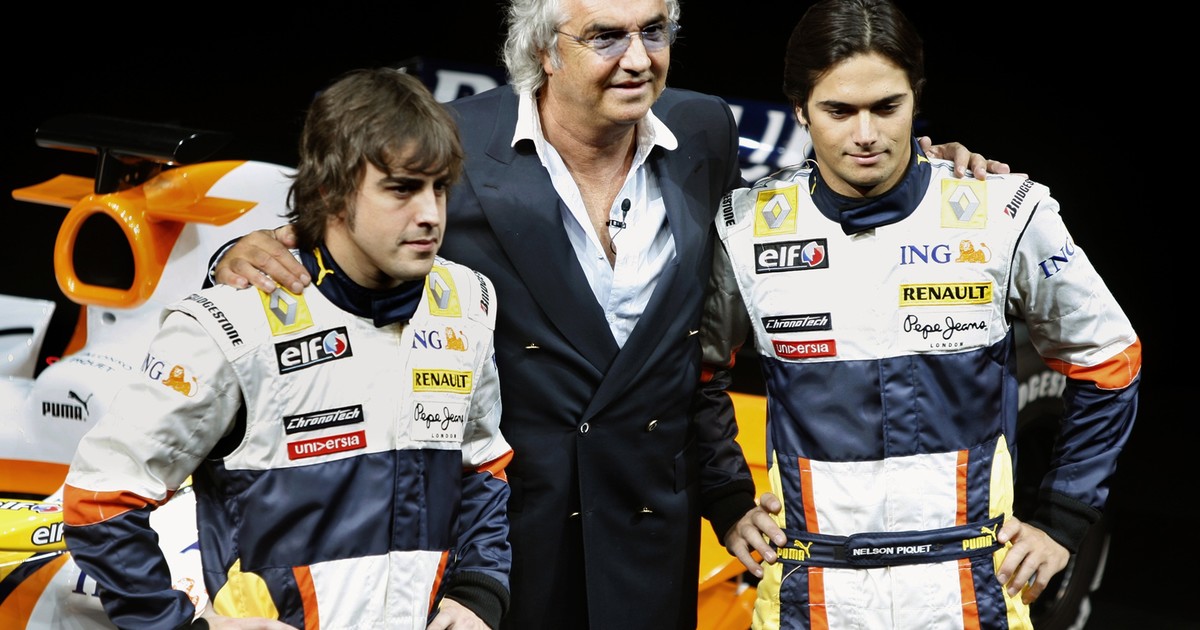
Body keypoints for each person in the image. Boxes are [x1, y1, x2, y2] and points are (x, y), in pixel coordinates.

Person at [210, 2, 1007, 628]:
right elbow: (345, 224)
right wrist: (243, 251)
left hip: (651, 541)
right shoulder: (460, 139)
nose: (638, 57)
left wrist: (929, 170)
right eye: (605, 36)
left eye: (654, 31)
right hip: (500, 551)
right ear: (544, 50)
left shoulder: (706, 129)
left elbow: (809, 201)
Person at [704, 1, 1142, 628]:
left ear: (916, 98)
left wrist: (1062, 521)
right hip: (812, 592)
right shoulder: (744, 229)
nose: (866, 134)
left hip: (970, 592)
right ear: (800, 109)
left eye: (887, 107)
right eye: (839, 111)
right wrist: (726, 499)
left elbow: (1109, 358)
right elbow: (694, 374)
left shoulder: (1004, 212)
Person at [62, 67, 513, 630]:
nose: (430, 215)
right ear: (331, 191)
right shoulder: (232, 322)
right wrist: (180, 626)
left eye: (439, 188)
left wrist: (479, 591)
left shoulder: (466, 302)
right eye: (401, 189)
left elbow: (481, 465)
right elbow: (100, 498)